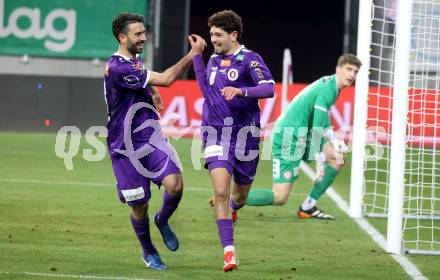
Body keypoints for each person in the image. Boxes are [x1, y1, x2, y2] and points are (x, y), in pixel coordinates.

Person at [104, 12, 204, 271]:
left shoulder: (132, 60)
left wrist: (151, 90)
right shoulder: (118, 66)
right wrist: (193, 55)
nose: (144, 38)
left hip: (150, 136)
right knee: (139, 205)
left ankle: (162, 219)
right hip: (124, 146)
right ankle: (149, 252)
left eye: (143, 33)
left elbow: (144, 76)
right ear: (121, 37)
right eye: (137, 34)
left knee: (176, 185)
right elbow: (169, 78)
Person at [189, 10, 275, 272]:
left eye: (218, 34)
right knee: (222, 192)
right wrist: (197, 59)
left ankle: (234, 207)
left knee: (240, 195)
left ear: (233, 35)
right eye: (211, 34)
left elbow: (269, 88)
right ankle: (229, 253)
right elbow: (206, 90)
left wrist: (242, 90)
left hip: (246, 136)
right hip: (215, 133)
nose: (212, 39)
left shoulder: (250, 60)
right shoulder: (214, 59)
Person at [245, 54, 362, 220]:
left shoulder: (331, 86)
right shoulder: (329, 89)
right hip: (288, 137)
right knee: (279, 197)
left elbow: (320, 121)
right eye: (349, 69)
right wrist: (320, 162)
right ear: (338, 69)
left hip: (302, 135)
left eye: (355, 72)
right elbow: (316, 128)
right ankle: (230, 199)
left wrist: (334, 139)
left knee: (337, 157)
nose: (352, 75)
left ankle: (308, 206)